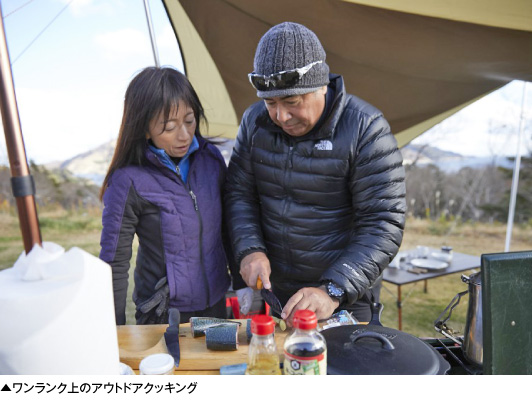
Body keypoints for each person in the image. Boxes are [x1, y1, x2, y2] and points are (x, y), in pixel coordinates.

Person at [225, 22, 406, 324]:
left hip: (347, 295)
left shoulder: (366, 129)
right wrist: (250, 251)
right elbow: (239, 194)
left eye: (292, 102)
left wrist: (332, 289)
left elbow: (383, 221)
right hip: (280, 291)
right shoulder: (254, 123)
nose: (281, 116)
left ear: (321, 85)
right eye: (270, 103)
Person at [99, 66, 237, 325]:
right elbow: (114, 261)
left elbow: (228, 229)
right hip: (164, 312)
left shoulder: (210, 159)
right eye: (169, 127)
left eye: (189, 120)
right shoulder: (127, 180)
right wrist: (114, 331)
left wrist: (241, 284)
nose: (184, 135)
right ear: (144, 129)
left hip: (216, 303)